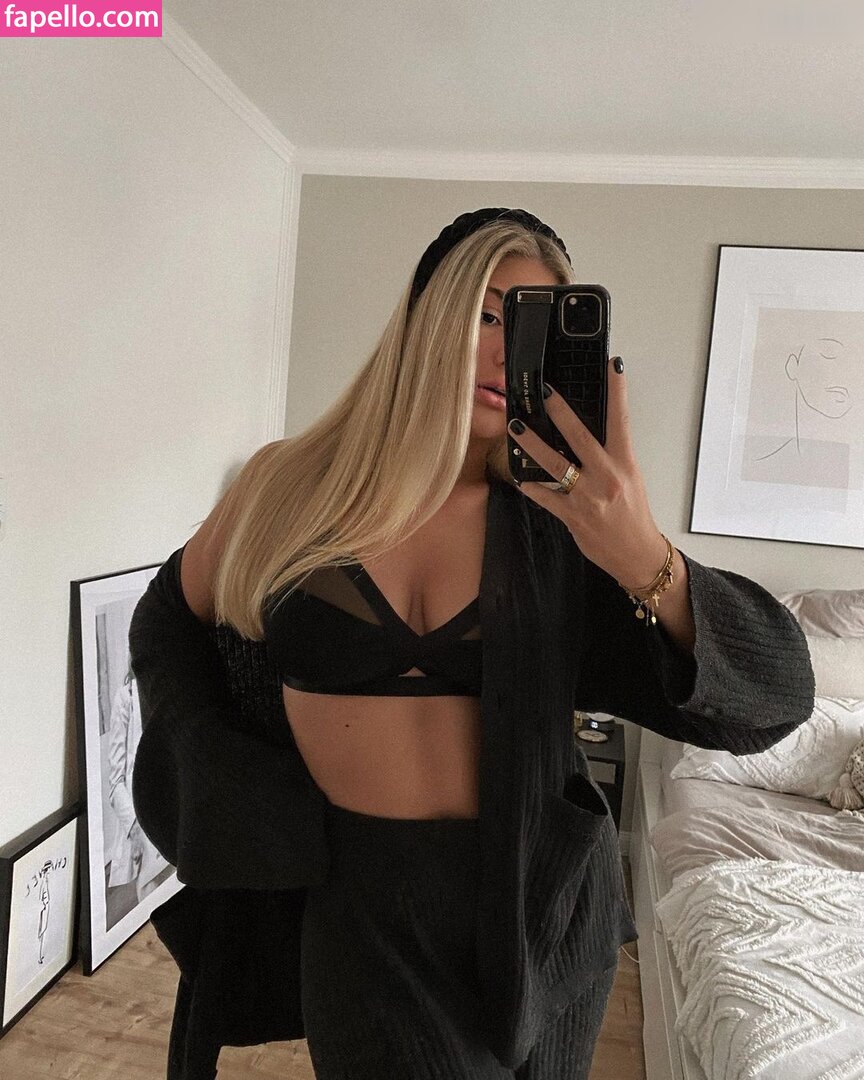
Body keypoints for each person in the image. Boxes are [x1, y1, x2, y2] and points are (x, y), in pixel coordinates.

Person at [130, 208, 815, 1080]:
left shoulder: (563, 528)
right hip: (362, 911)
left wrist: (643, 553)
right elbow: (168, 617)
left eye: (532, 330)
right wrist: (213, 767)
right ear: (427, 317)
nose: (505, 352)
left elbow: (777, 699)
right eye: (489, 314)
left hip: (547, 912)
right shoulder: (289, 488)